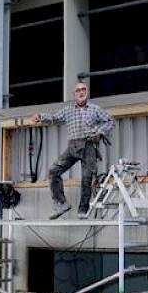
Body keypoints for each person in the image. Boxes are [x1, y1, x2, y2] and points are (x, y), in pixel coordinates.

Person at [30, 82, 115, 219]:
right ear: (74, 94)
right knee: (54, 170)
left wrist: (99, 132)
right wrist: (40, 116)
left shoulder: (95, 109)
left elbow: (110, 121)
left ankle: (83, 210)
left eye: (84, 89)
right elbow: (54, 118)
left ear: (87, 92)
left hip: (89, 145)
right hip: (73, 145)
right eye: (78, 90)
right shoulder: (68, 110)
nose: (81, 92)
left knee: (87, 178)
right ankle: (61, 203)